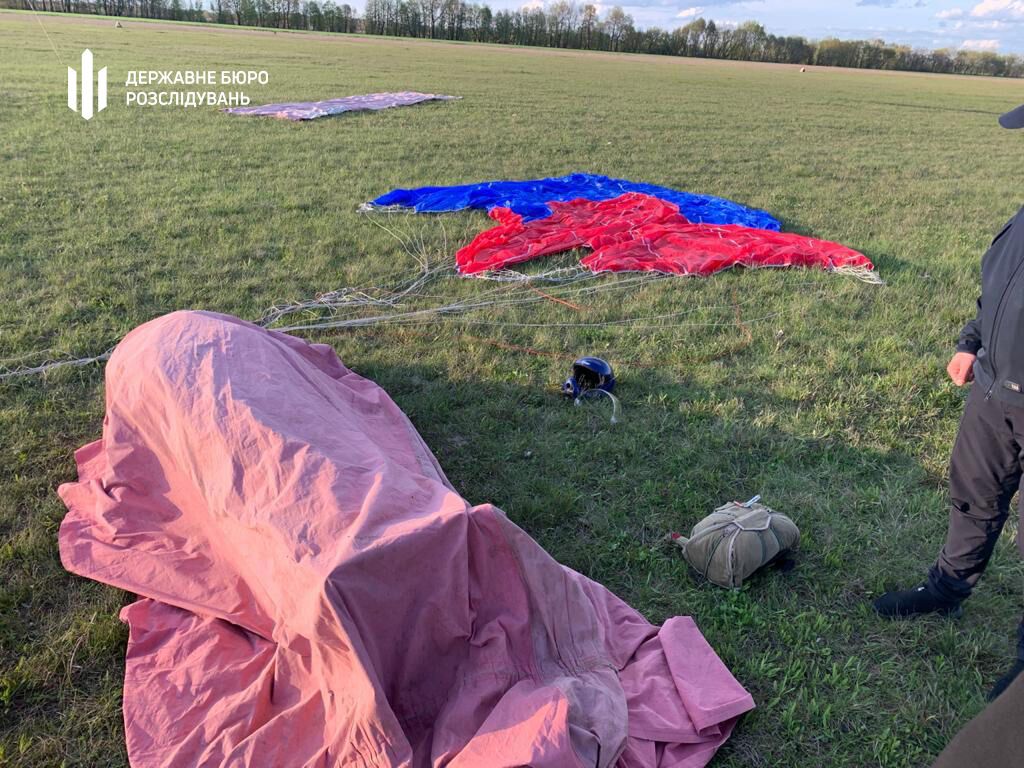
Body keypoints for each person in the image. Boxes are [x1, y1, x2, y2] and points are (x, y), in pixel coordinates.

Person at [873, 102, 1024, 702]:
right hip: (993, 391)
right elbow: (1002, 287)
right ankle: (947, 590)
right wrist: (973, 341)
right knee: (973, 498)